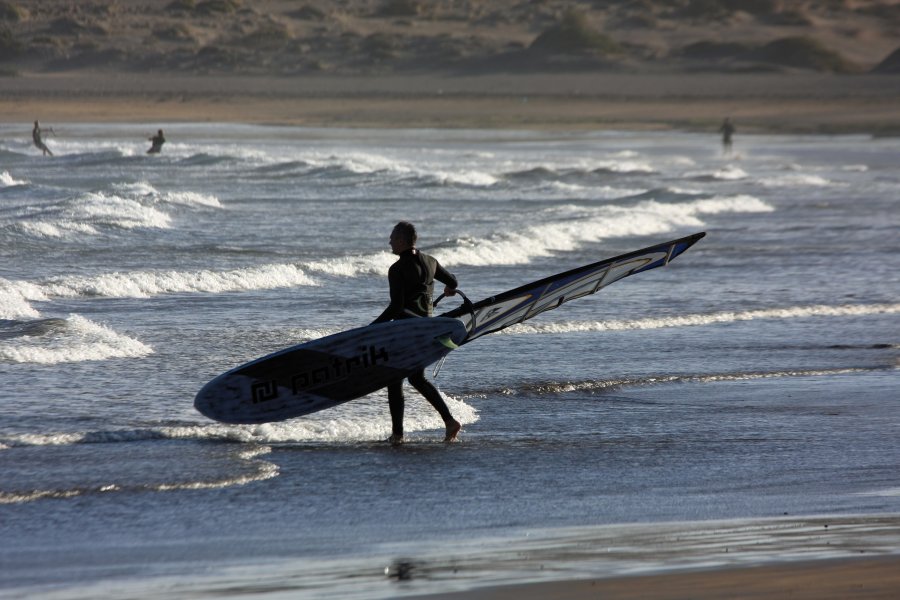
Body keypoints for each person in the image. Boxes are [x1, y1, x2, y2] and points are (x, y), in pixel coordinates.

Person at [373, 221, 462, 445]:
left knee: (394, 379)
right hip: (426, 329)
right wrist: (449, 289)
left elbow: (396, 307)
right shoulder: (430, 261)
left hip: (406, 331)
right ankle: (450, 422)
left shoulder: (397, 269)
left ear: (402, 240)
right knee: (416, 378)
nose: (389, 241)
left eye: (392, 237)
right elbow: (453, 281)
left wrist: (371, 327)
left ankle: (397, 435)